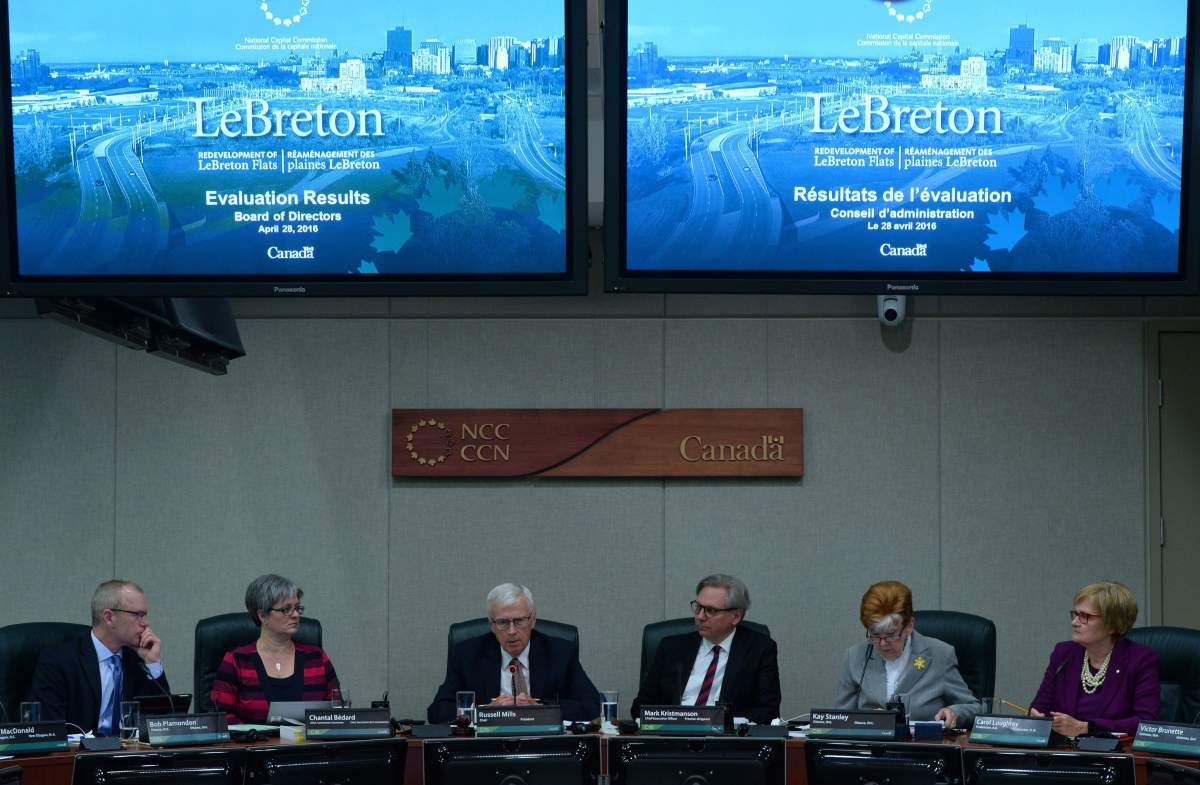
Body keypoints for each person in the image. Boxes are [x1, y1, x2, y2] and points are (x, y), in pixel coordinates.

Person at [428, 583, 602, 723]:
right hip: (488, 745)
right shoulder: (468, 655)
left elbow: (592, 706)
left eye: (519, 621)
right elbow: (437, 711)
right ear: (492, 625)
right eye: (503, 622)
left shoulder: (560, 652)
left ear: (532, 620)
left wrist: (539, 708)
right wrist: (486, 711)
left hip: (544, 744)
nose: (511, 631)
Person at [633, 574, 781, 724]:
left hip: (726, 741)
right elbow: (640, 707)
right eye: (698, 607)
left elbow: (768, 711)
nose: (700, 616)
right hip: (673, 735)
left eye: (710, 610)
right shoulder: (671, 648)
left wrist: (717, 721)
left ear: (736, 616)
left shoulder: (759, 649)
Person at [27, 580, 170, 735]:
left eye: (145, 615)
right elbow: (49, 730)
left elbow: (163, 726)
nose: (145, 623)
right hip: (78, 756)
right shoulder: (58, 661)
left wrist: (153, 663)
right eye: (138, 615)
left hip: (129, 755)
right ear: (109, 617)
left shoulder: (138, 661)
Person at [834, 580, 978, 728]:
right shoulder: (855, 657)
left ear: (909, 625)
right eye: (875, 634)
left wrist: (953, 712)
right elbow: (840, 718)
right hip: (870, 748)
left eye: (890, 634)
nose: (882, 643)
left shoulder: (940, 655)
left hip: (921, 747)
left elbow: (973, 707)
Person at [1030, 580, 1159, 737]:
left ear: (1113, 625)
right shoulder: (1064, 654)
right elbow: (1040, 707)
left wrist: (1087, 727)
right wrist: (1036, 718)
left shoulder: (1140, 660)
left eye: (1084, 616)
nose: (1075, 622)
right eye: (1075, 614)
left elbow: (1145, 723)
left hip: (1112, 754)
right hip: (1063, 752)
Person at [211, 574, 339, 723]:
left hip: (309, 745)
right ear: (262, 616)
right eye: (286, 609)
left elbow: (338, 710)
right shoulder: (236, 661)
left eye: (298, 608)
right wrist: (255, 739)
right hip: (254, 745)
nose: (296, 615)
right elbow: (219, 717)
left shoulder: (317, 658)